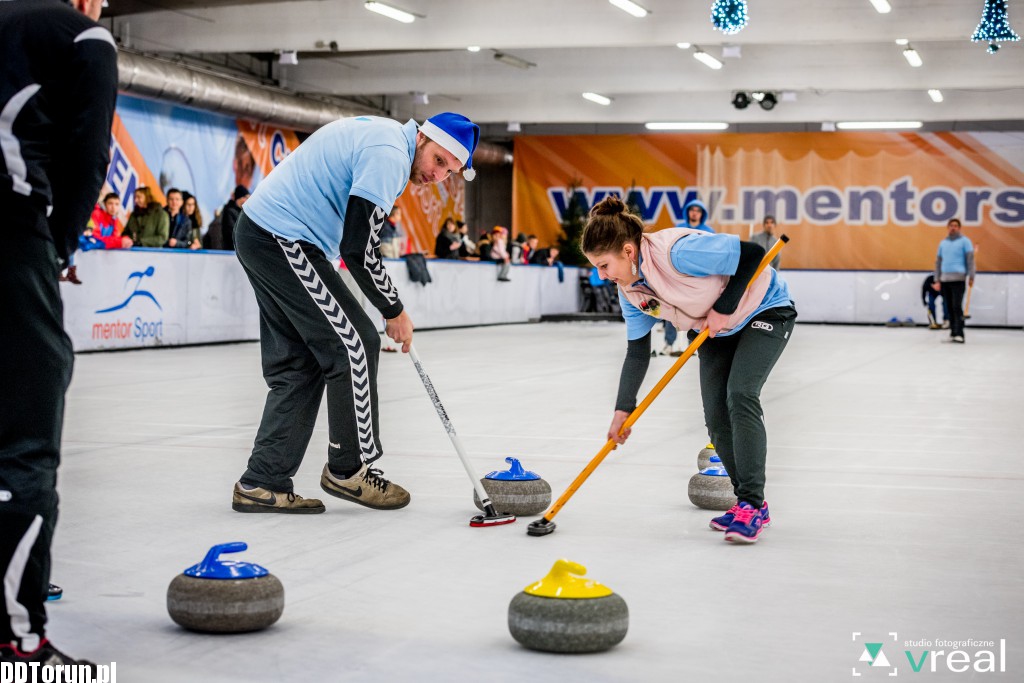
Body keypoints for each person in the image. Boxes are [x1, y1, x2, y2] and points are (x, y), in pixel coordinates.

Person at [232, 111, 479, 514]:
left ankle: (263, 481)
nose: (438, 175)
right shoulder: (389, 154)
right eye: (438, 161)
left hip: (264, 234)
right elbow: (358, 249)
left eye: (448, 171)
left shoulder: (387, 142)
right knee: (357, 343)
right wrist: (393, 309)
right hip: (283, 238)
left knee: (301, 364)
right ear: (421, 139)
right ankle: (349, 468)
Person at [0, 0, 117, 670]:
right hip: (10, 236)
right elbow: (87, 156)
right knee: (23, 442)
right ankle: (15, 638)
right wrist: (56, 250)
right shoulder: (82, 35)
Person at [581, 196, 796, 544]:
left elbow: (753, 255)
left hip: (764, 309)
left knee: (740, 393)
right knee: (715, 414)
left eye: (604, 265)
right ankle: (748, 503)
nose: (601, 275)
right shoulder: (630, 292)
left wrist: (726, 307)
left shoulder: (677, 252)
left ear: (628, 251)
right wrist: (623, 409)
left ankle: (752, 506)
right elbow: (638, 353)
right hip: (714, 328)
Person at [932, 218, 975, 344]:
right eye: (951, 225)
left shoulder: (965, 242)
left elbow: (970, 260)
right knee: (948, 307)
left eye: (956, 225)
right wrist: (937, 279)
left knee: (957, 306)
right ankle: (952, 333)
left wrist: (971, 275)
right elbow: (938, 262)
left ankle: (960, 334)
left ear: (959, 228)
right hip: (945, 279)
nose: (953, 227)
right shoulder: (943, 243)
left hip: (958, 278)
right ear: (948, 227)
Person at [220, 184, 249, 251]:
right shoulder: (229, 211)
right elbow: (232, 232)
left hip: (239, 249)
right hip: (231, 250)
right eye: (246, 197)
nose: (248, 200)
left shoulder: (243, 212)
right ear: (240, 198)